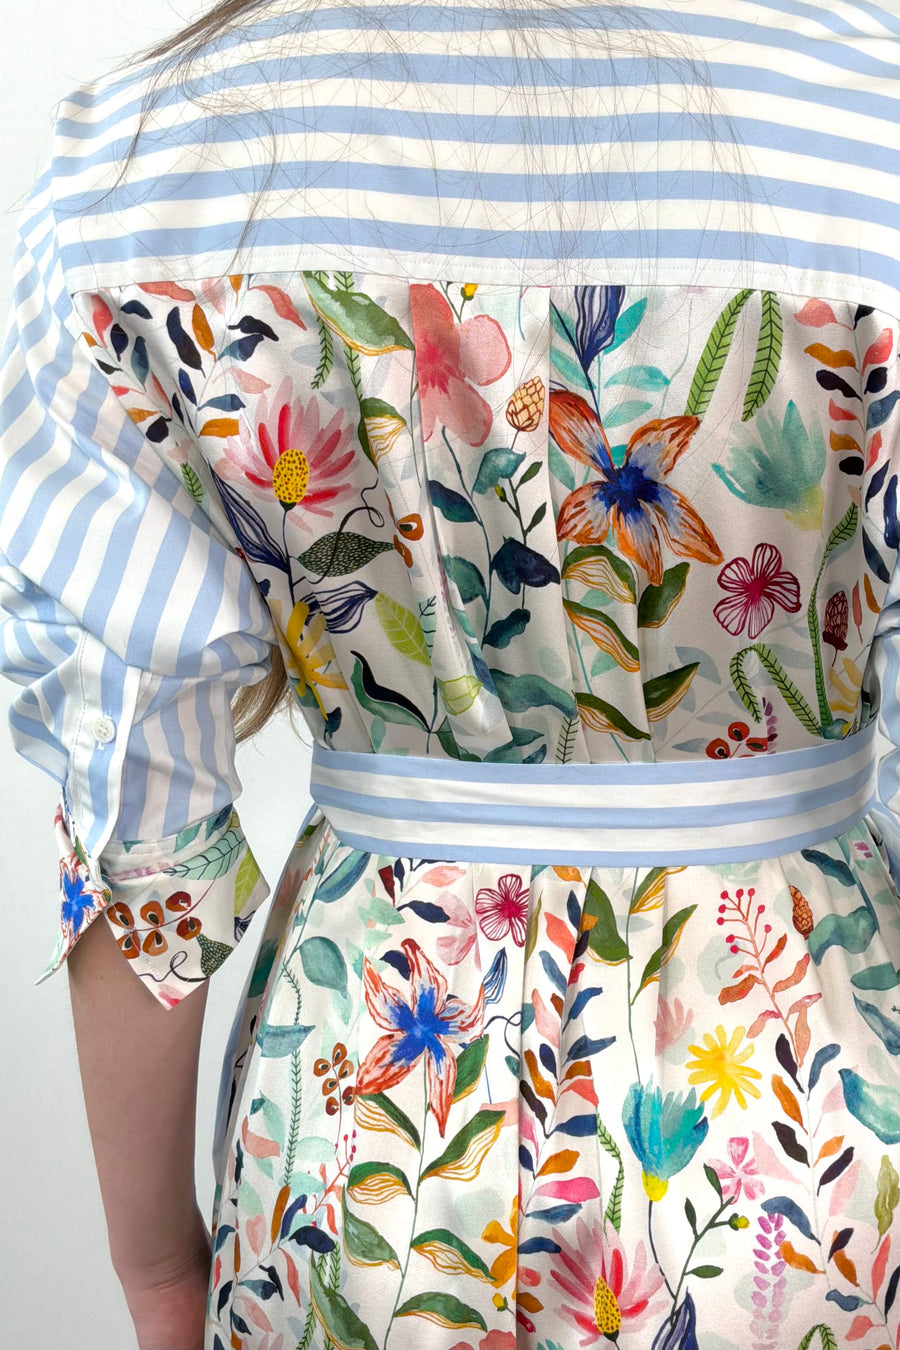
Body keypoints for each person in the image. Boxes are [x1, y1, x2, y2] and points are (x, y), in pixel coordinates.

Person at [1, 1, 899, 1347]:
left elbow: (141, 824)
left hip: (359, 1128)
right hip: (812, 1124)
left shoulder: (137, 175)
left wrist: (158, 1267)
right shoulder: (871, 114)